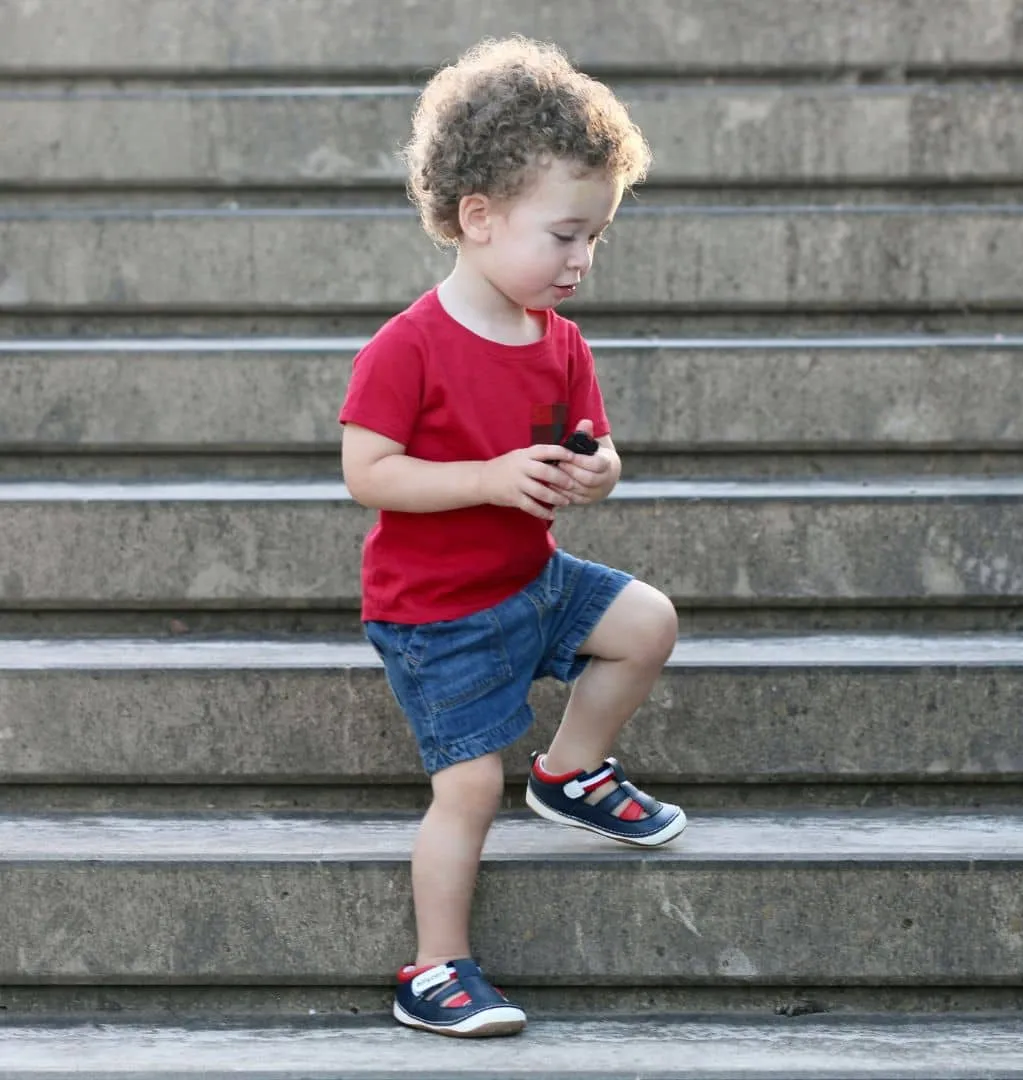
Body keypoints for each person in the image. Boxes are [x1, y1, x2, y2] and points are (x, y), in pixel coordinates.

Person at [339, 36, 685, 1039]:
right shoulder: (407, 348)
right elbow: (370, 472)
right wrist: (488, 478)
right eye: (566, 235)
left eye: (596, 240)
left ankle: (571, 770)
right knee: (467, 786)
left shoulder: (558, 340)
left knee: (647, 622)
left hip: (533, 582)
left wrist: (598, 471)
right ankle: (436, 970)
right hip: (438, 617)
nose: (583, 260)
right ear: (478, 219)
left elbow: (597, 445)